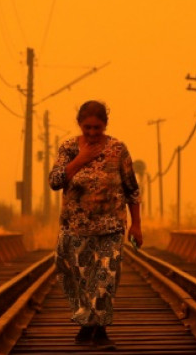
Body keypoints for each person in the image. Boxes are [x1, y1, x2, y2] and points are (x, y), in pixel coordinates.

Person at [49, 100, 143, 350]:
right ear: (79, 124)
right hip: (75, 228)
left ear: (105, 126)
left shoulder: (118, 150)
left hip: (110, 228)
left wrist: (136, 226)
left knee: (105, 278)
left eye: (97, 128)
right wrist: (80, 160)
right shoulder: (68, 148)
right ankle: (86, 326)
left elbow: (132, 189)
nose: (92, 133)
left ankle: (100, 330)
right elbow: (55, 181)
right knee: (80, 280)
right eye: (87, 127)